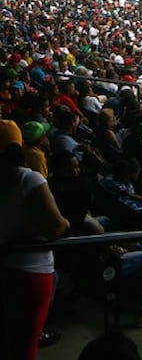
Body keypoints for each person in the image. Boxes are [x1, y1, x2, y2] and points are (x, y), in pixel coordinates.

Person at [0, 118, 69, 360]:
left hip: (5, 263)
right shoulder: (27, 179)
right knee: (25, 345)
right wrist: (66, 222)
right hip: (30, 270)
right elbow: (56, 227)